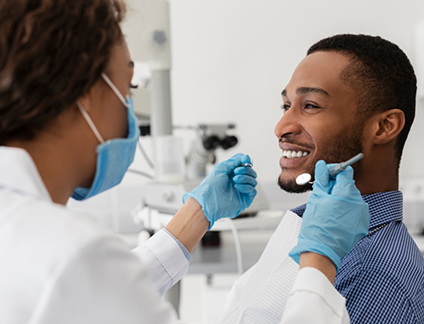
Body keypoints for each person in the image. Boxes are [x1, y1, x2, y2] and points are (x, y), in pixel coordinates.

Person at [0, 1, 370, 323]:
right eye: (129, 88)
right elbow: (87, 285)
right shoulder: (73, 255)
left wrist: (197, 214)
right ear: (84, 94)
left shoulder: (45, 247)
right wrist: (320, 260)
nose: (282, 126)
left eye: (311, 106)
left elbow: (91, 298)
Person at [217, 34, 424, 324]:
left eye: (311, 105)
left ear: (384, 127)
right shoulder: (315, 233)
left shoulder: (375, 276)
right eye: (286, 106)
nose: (282, 127)